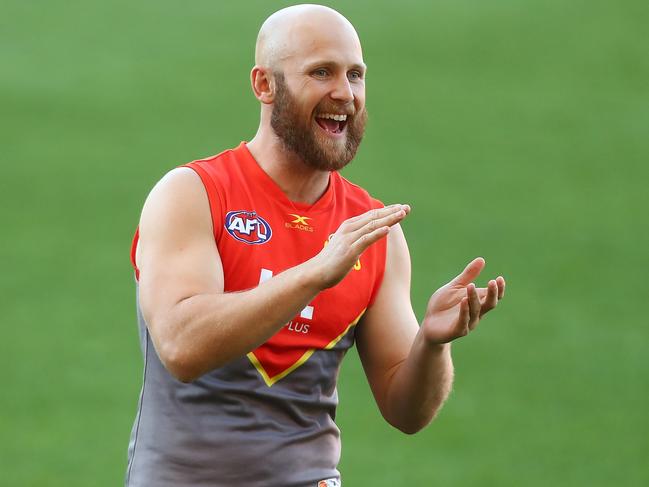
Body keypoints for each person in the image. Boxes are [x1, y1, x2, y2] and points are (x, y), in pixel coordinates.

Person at [125, 4, 506, 487]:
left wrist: (431, 344)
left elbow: (406, 411)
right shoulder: (194, 194)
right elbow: (182, 347)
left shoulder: (372, 230)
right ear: (264, 85)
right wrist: (312, 274)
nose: (344, 94)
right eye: (321, 72)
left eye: (356, 75)